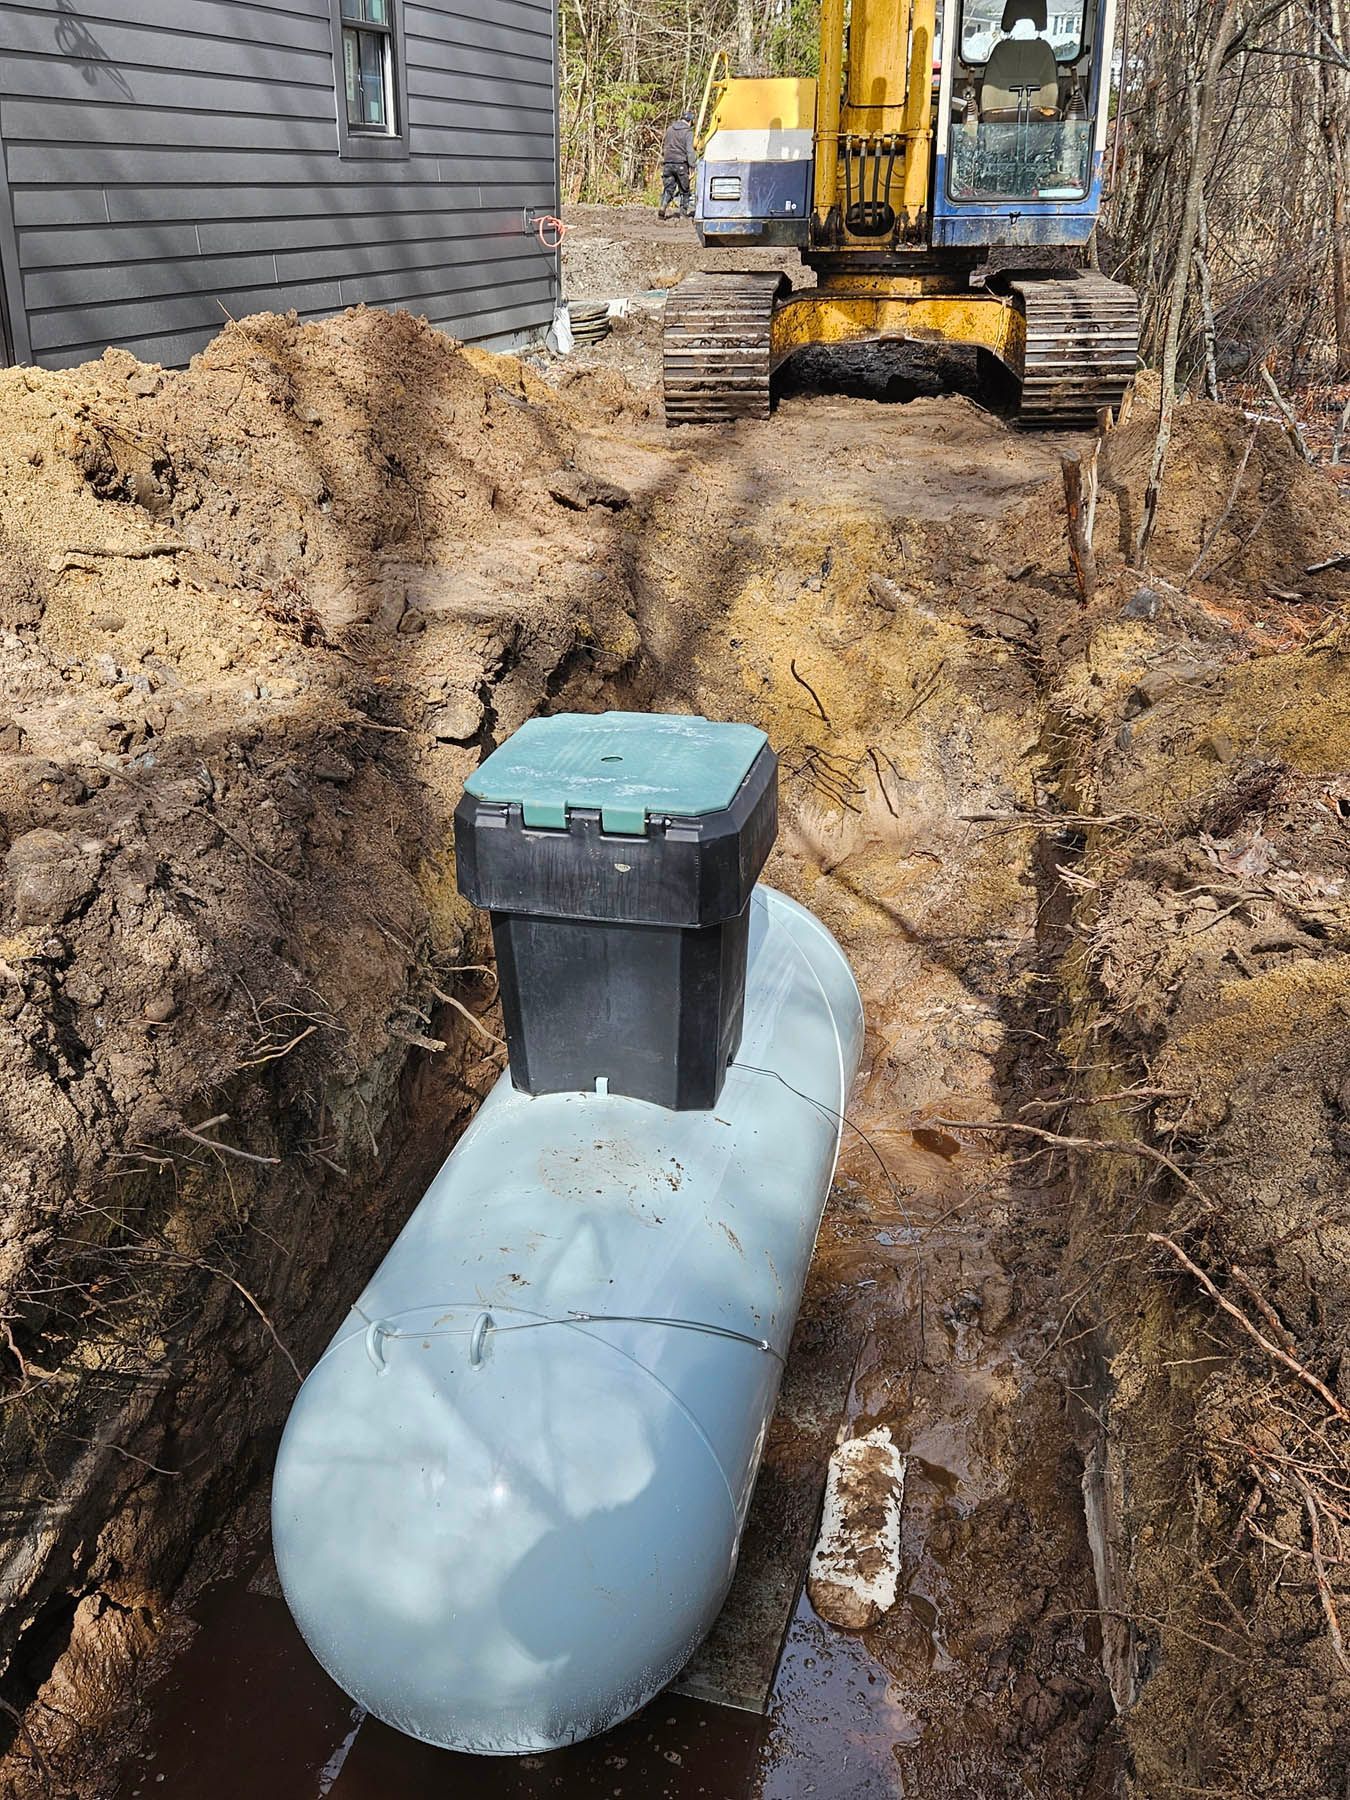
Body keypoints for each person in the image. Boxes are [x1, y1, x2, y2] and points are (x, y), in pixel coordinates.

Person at [658, 108, 697, 220]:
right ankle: (683, 214)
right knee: (684, 190)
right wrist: (692, 165)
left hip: (668, 162)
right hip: (681, 164)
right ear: (690, 121)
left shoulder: (670, 129)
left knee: (668, 188)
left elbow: (665, 145)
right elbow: (689, 150)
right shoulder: (688, 132)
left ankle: (663, 206)